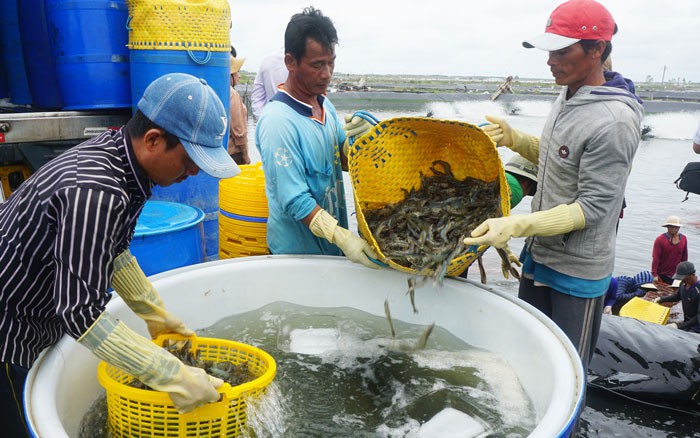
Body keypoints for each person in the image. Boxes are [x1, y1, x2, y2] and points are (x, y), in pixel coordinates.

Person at [0, 73, 240, 436]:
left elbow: (110, 248)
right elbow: (79, 313)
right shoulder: (96, 190)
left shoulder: (124, 163)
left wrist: (153, 311)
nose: (193, 172)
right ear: (154, 140)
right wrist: (168, 373)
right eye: (190, 159)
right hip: (9, 334)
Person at [462, 0, 643, 412]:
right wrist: (515, 139)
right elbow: (559, 157)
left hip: (576, 272)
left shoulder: (614, 121)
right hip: (541, 257)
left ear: (596, 49)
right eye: (550, 51)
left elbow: (593, 207)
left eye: (563, 51)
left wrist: (516, 226)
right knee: (526, 360)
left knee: (567, 374)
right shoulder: (569, 94)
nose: (551, 61)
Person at [255, 7, 377, 269]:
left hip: (331, 253)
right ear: (290, 62)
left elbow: (343, 160)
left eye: (331, 62)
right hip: (296, 257)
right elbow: (294, 200)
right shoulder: (278, 121)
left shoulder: (325, 105)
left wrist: (362, 140)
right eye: (317, 65)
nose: (326, 73)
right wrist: (341, 236)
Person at [654, 261, 700, 333]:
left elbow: (698, 317)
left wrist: (678, 326)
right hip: (687, 322)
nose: (681, 279)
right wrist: (661, 299)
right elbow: (677, 296)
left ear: (692, 275)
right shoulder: (683, 284)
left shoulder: (698, 290)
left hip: (697, 326)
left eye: (683, 277)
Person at [250, 49, 288, 120]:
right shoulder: (304, 59)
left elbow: (257, 98)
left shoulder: (268, 60)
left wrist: (264, 120)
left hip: (270, 118)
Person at [229, 46, 251, 165]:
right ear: (231, 75)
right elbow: (238, 130)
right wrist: (245, 155)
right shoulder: (232, 94)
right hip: (234, 153)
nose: (239, 76)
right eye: (237, 72)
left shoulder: (220, 90)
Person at [652, 216, 688, 284]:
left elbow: (684, 258)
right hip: (662, 274)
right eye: (671, 226)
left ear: (679, 228)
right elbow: (656, 258)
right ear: (667, 227)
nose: (673, 229)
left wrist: (684, 273)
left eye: (676, 227)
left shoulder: (683, 239)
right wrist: (654, 274)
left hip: (677, 275)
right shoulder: (660, 240)